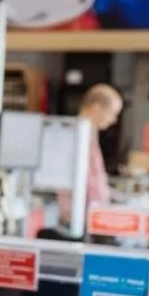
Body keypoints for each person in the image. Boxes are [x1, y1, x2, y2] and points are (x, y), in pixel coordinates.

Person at [59, 84, 123, 221]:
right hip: (77, 216)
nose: (114, 120)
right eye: (112, 113)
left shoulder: (89, 135)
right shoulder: (75, 136)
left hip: (90, 213)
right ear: (97, 107)